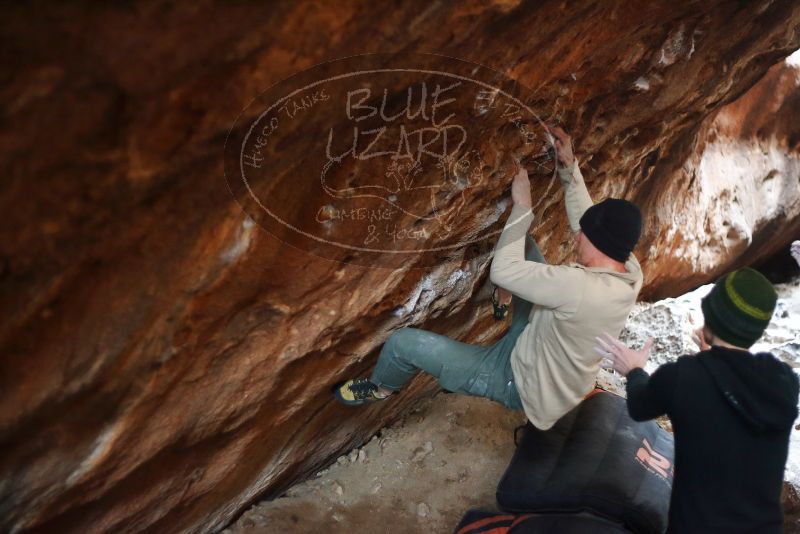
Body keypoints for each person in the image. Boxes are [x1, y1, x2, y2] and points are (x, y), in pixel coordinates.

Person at [334, 127, 644, 432]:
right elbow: (587, 223)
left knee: (402, 344)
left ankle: (382, 387)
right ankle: (504, 298)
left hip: (516, 380)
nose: (576, 239)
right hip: (540, 342)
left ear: (600, 244)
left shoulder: (579, 287)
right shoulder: (628, 270)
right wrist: (568, 166)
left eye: (583, 237)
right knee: (522, 245)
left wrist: (522, 208)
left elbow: (504, 271)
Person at [595, 267, 799, 533]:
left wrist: (633, 370)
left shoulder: (684, 377)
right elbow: (735, 383)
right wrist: (713, 357)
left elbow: (640, 405)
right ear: (758, 329)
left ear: (710, 316)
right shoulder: (784, 382)